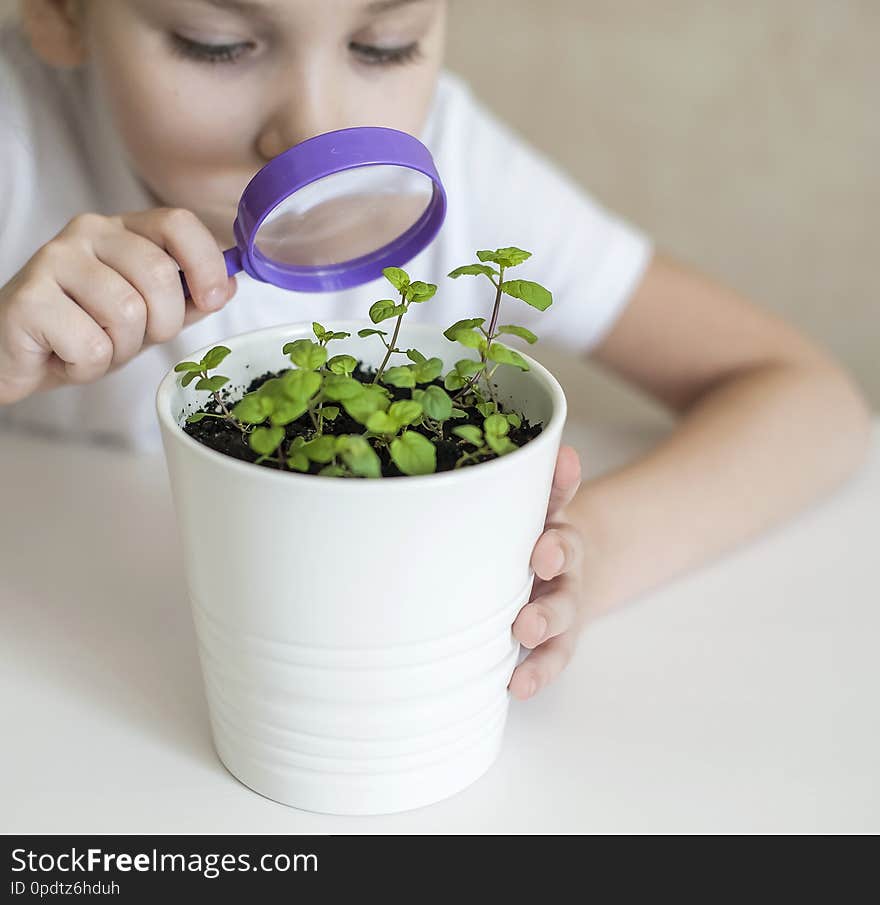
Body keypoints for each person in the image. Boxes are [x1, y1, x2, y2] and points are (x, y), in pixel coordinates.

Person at [0, 0, 870, 702]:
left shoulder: (455, 168)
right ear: (60, 12)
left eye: (382, 46)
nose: (314, 126)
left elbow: (812, 401)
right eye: (216, 44)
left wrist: (594, 548)